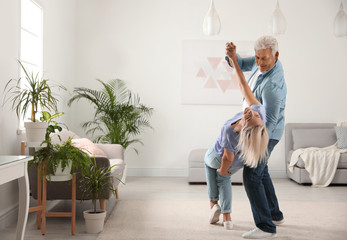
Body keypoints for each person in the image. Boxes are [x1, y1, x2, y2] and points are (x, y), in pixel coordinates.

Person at [225, 36, 286, 239]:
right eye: (258, 57)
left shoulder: (272, 87)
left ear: (276, 55)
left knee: (252, 175)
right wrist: (232, 56)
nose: (259, 63)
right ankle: (275, 214)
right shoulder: (263, 60)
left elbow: (269, 122)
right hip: (262, 128)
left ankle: (266, 227)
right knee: (262, 171)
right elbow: (242, 64)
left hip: (268, 133)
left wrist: (253, 145)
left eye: (264, 59)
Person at [204, 42, 269, 231]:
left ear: (246, 132)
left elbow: (227, 157)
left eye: (252, 118)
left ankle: (213, 205)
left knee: (209, 163)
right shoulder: (260, 114)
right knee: (224, 179)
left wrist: (222, 171)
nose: (253, 113)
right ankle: (227, 218)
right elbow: (243, 85)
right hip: (239, 163)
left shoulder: (229, 131)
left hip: (222, 157)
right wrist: (234, 59)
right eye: (257, 115)